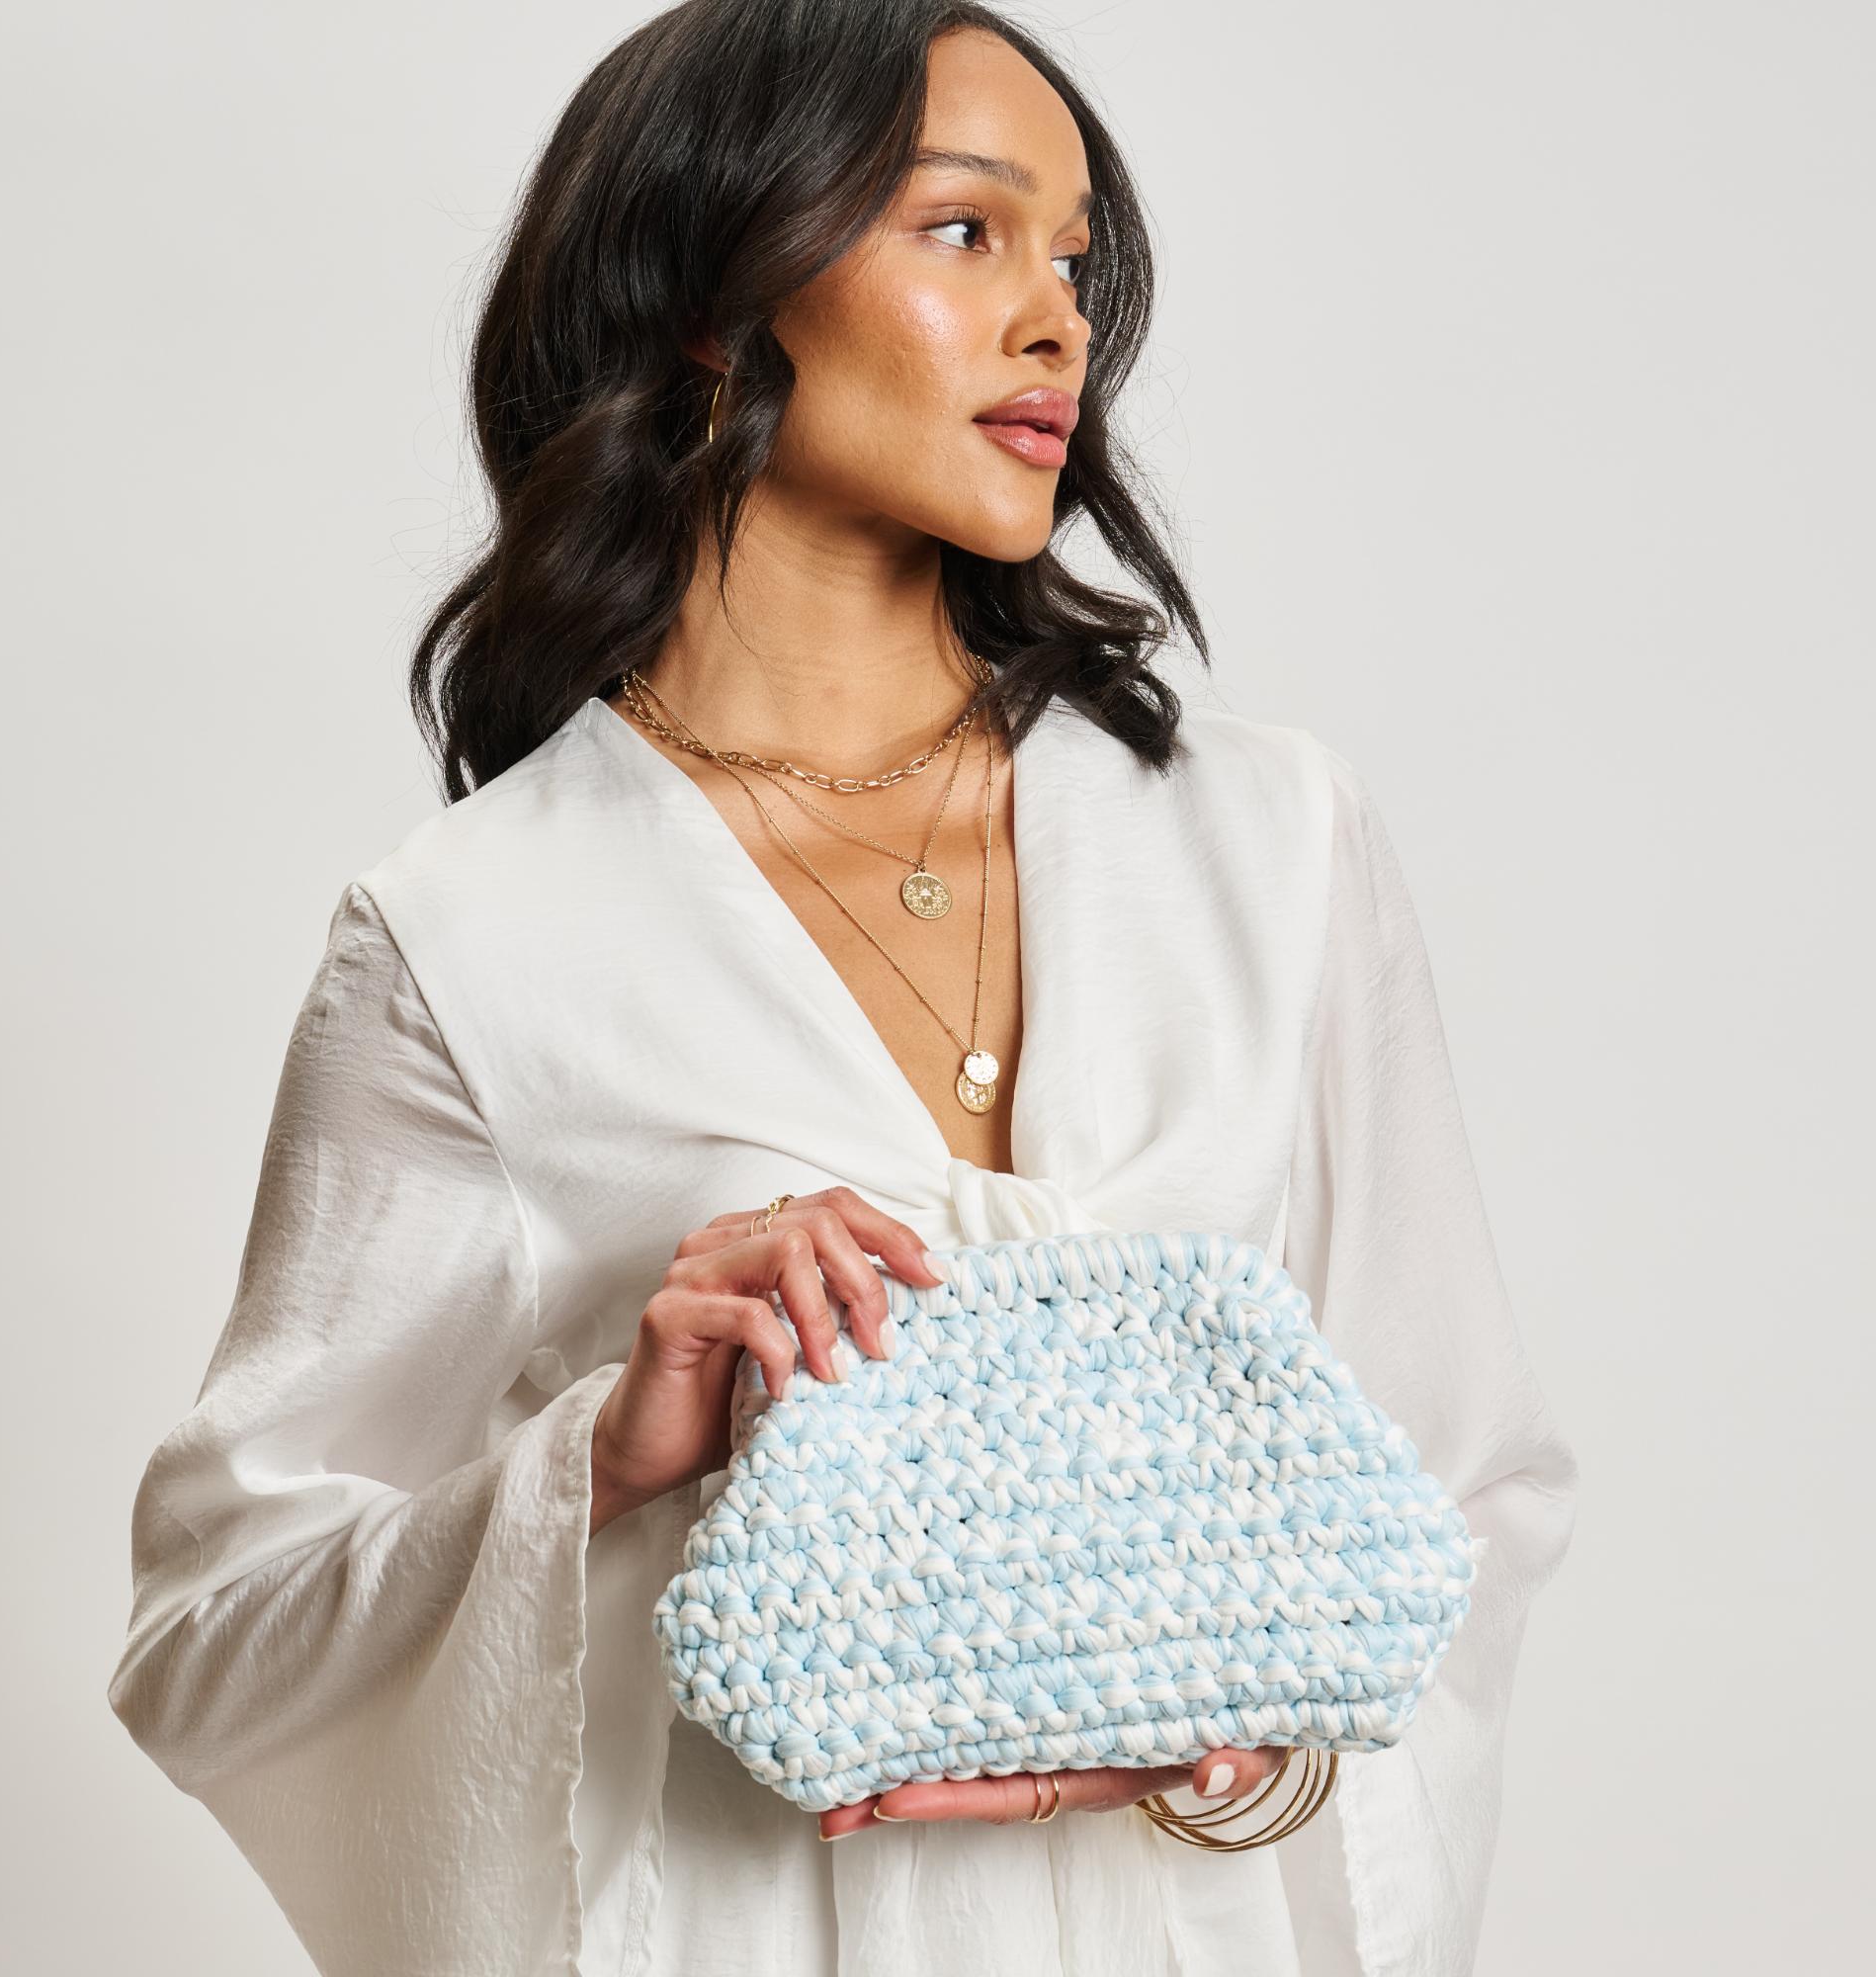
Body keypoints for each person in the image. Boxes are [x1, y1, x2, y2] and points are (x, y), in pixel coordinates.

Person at [106, 3, 1580, 1973]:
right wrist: (602, 1460)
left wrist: (1239, 1750)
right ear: (717, 301)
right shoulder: (475, 934)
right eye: (965, 231)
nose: (1057, 322)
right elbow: (217, 1632)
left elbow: (1467, 1484)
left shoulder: (1268, 841)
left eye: (1076, 259)